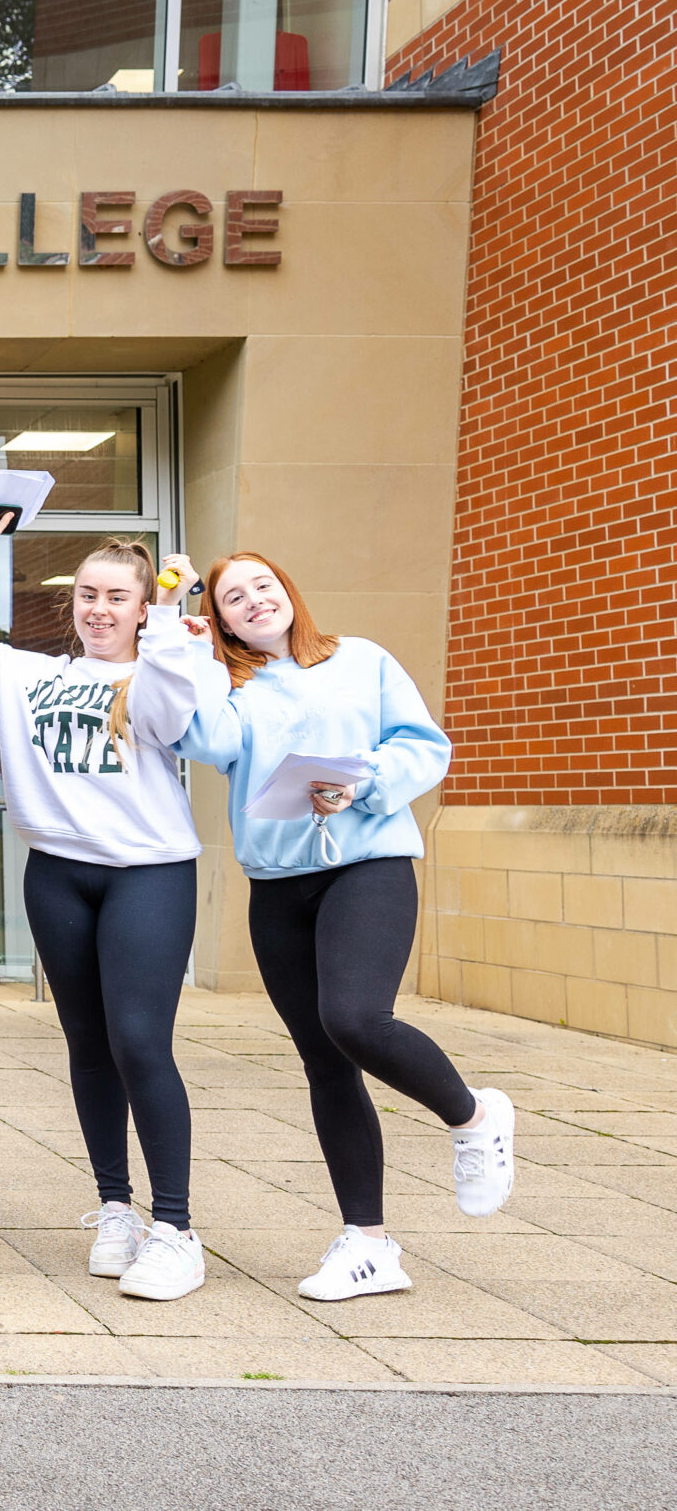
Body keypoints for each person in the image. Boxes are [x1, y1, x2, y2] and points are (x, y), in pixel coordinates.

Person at [179, 552, 515, 1301]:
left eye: (263, 585)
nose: (253, 600)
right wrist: (194, 656)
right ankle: (369, 1244)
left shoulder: (362, 660)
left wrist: (360, 784)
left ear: (290, 593)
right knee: (325, 1059)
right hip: (278, 887)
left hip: (367, 863)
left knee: (356, 1018)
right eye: (234, 597)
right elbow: (205, 743)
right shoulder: (230, 685)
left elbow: (424, 745)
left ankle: (475, 1114)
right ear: (224, 619)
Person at [0, 523, 221, 1300]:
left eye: (115, 597)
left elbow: (165, 713)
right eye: (87, 595)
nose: (98, 609)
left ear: (137, 609)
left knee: (139, 1042)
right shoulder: (28, 674)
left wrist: (167, 612)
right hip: (58, 872)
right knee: (88, 1044)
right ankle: (116, 1208)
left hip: (147, 873)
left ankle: (178, 1228)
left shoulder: (163, 665)